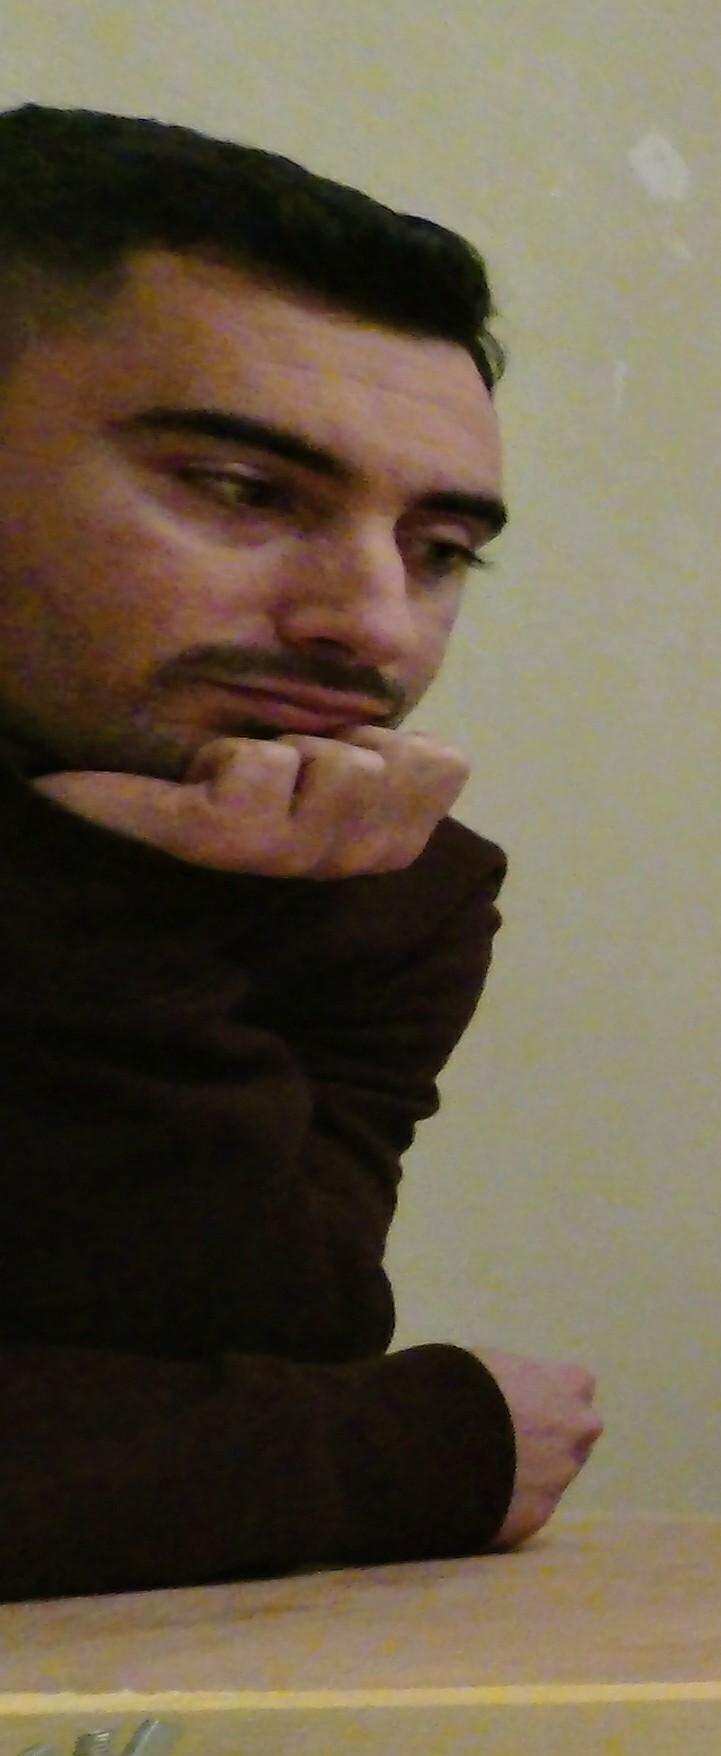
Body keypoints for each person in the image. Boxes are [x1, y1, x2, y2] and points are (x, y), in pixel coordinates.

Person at [0, 107, 601, 1600]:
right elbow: (249, 1424)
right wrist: (407, 1452)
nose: (374, 626)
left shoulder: (379, 881)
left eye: (439, 550)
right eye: (244, 491)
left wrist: (138, 904)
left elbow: (240, 1342)